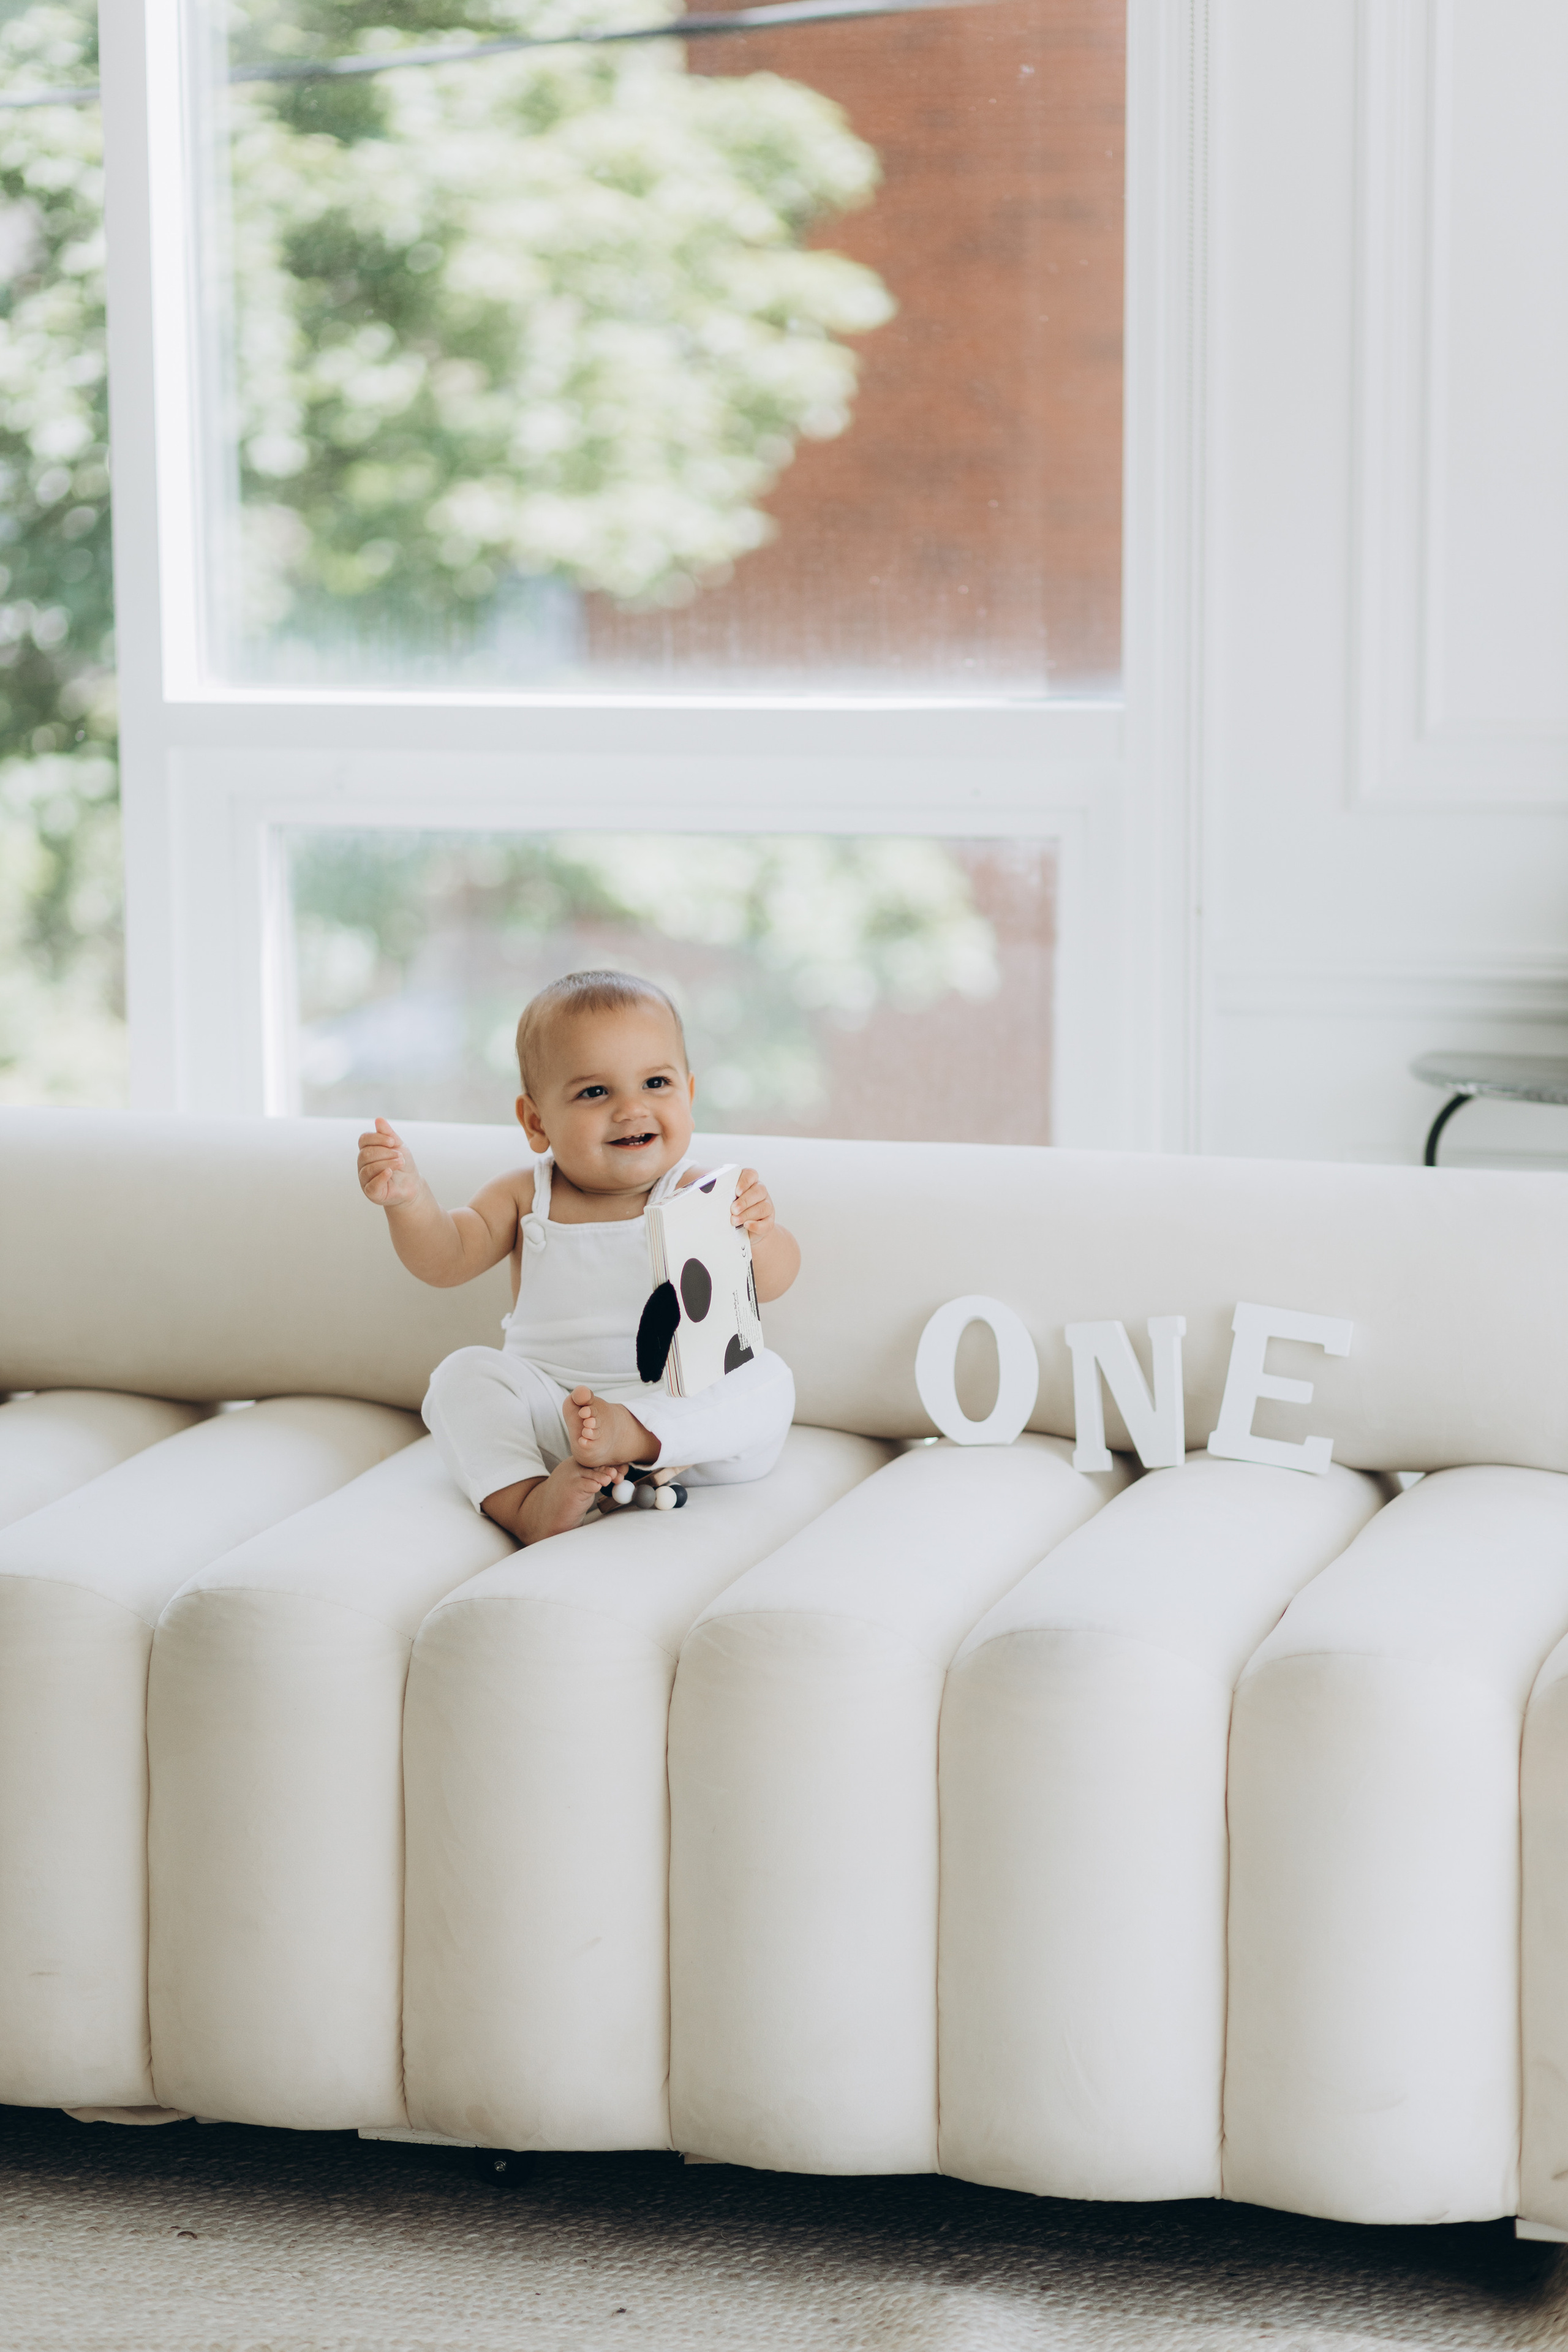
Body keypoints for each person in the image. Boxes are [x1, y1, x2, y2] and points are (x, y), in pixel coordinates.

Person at [356, 970, 801, 1545]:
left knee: (768, 1378)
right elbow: (447, 1259)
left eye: (656, 1083)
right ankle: (529, 1502)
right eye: (596, 1092)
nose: (631, 1109)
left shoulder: (699, 1193)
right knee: (459, 1377)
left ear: (689, 1096)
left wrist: (760, 1237)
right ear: (536, 1122)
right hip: (555, 1418)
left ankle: (634, 1438)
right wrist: (410, 1201)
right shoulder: (525, 1194)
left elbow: (775, 1282)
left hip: (680, 1419)